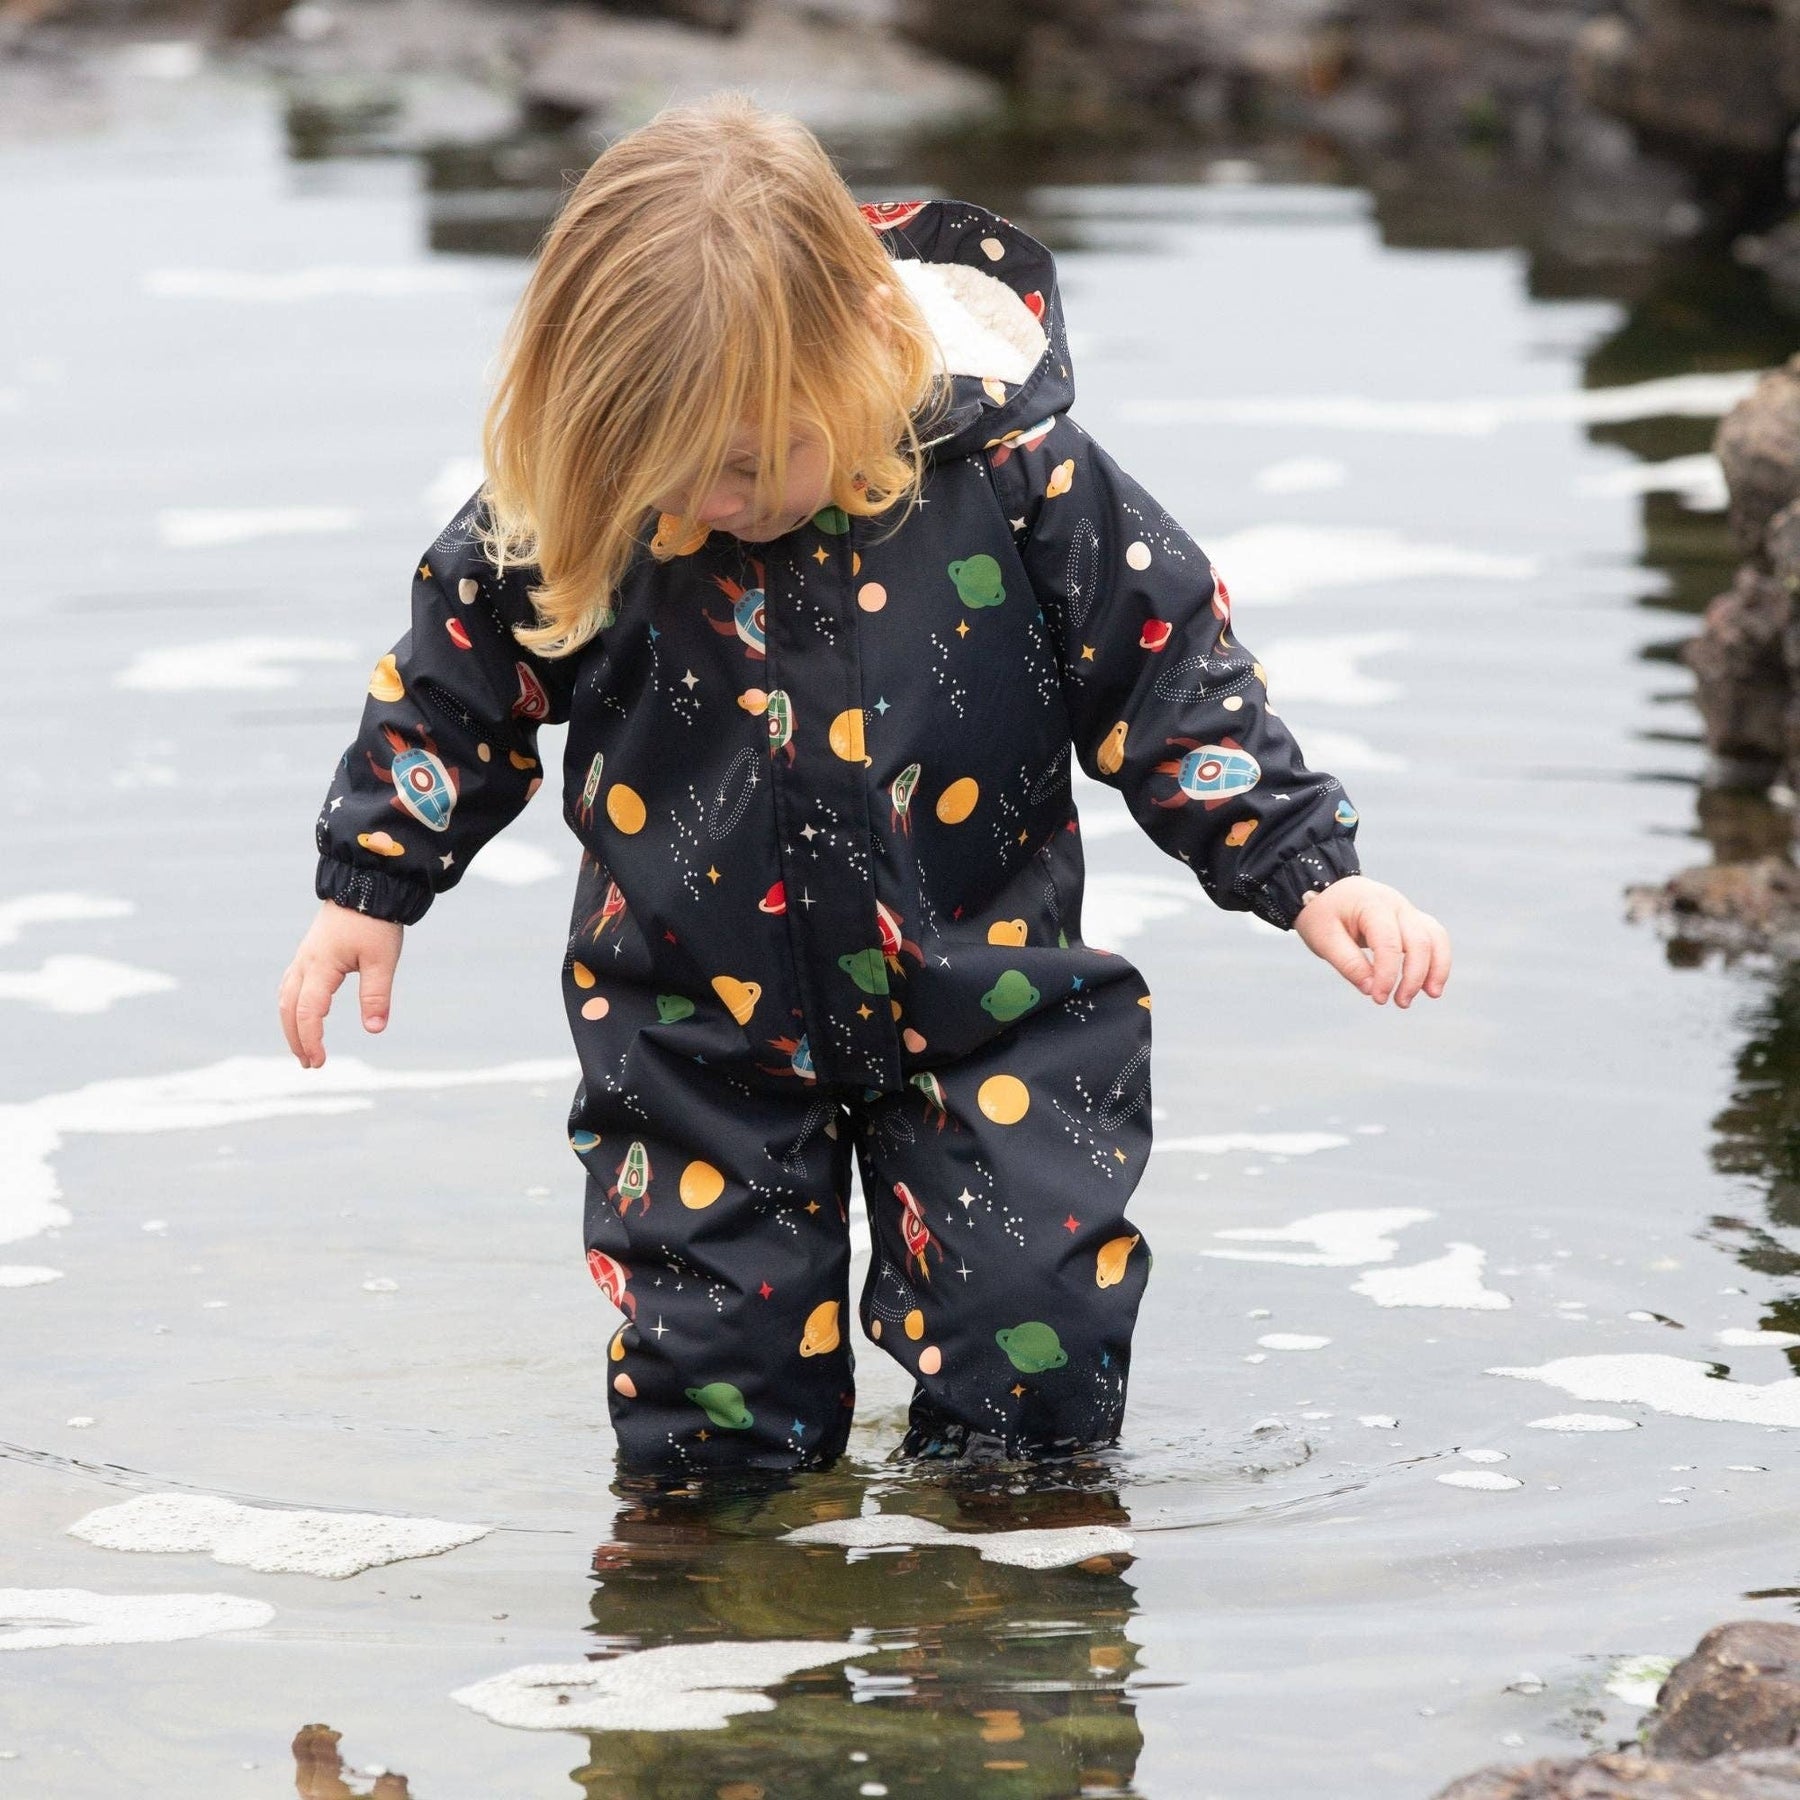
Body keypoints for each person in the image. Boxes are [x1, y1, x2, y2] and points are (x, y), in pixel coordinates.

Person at [278, 94, 1450, 1478]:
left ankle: (1008, 1579)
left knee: (1038, 1351)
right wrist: (371, 881)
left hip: (992, 1005)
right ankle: (725, 1598)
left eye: (750, 460)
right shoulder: (588, 498)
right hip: (696, 1033)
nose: (718, 503)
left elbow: (1171, 672)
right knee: (711, 1400)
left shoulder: (1014, 474)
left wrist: (1307, 867)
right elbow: (452, 686)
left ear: (865, 343)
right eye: (679, 475)